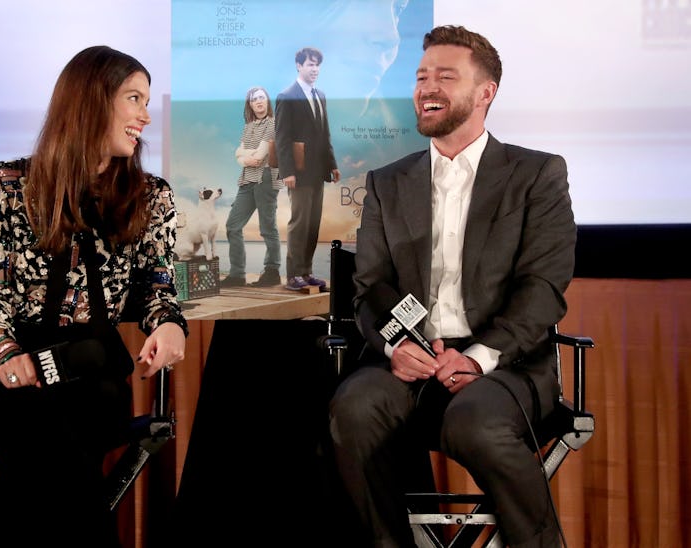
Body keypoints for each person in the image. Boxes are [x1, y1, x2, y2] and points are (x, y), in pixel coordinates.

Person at [329, 25, 576, 548]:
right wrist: (398, 345)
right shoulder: (387, 181)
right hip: (411, 361)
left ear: (486, 93)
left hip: (504, 365)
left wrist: (480, 356)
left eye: (445, 76)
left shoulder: (537, 174)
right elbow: (372, 287)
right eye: (421, 77)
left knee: (472, 424)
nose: (427, 87)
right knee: (352, 407)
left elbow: (544, 287)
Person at [0, 45, 188, 547]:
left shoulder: (153, 196)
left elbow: (159, 286)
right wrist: (7, 352)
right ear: (91, 100)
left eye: (147, 101)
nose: (146, 116)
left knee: (46, 446)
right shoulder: (8, 184)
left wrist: (169, 322)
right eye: (134, 98)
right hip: (12, 373)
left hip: (92, 373)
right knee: (37, 427)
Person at [275, 46, 341, 291]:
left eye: (317, 65)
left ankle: (307, 271)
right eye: (310, 64)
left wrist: (332, 165)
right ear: (299, 66)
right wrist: (287, 171)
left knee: (313, 224)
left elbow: (325, 134)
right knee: (299, 223)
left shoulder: (320, 95)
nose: (315, 69)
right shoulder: (286, 95)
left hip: (318, 171)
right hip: (298, 173)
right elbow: (282, 137)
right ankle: (294, 275)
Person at [220, 86, 283, 288]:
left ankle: (272, 271)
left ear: (267, 101)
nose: (258, 101)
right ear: (250, 104)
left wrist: (244, 156)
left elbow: (261, 153)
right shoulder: (248, 126)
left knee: (267, 227)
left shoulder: (273, 123)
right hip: (247, 179)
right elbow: (238, 153)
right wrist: (244, 158)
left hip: (266, 178)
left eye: (262, 97)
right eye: (254, 99)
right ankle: (238, 275)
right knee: (232, 226)